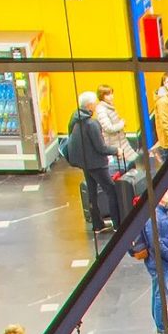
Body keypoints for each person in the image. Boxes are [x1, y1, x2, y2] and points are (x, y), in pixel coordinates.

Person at [63, 91, 112, 232]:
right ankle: (116, 222)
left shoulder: (75, 118)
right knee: (111, 190)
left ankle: (97, 224)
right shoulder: (91, 123)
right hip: (96, 163)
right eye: (94, 103)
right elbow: (101, 147)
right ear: (90, 105)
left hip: (84, 163)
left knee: (92, 192)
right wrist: (115, 150)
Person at [132, 196, 168, 334]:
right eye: (166, 192)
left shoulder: (159, 212)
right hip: (159, 262)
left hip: (159, 260)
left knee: (158, 291)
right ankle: (162, 327)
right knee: (162, 295)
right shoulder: (155, 215)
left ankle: (159, 323)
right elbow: (156, 243)